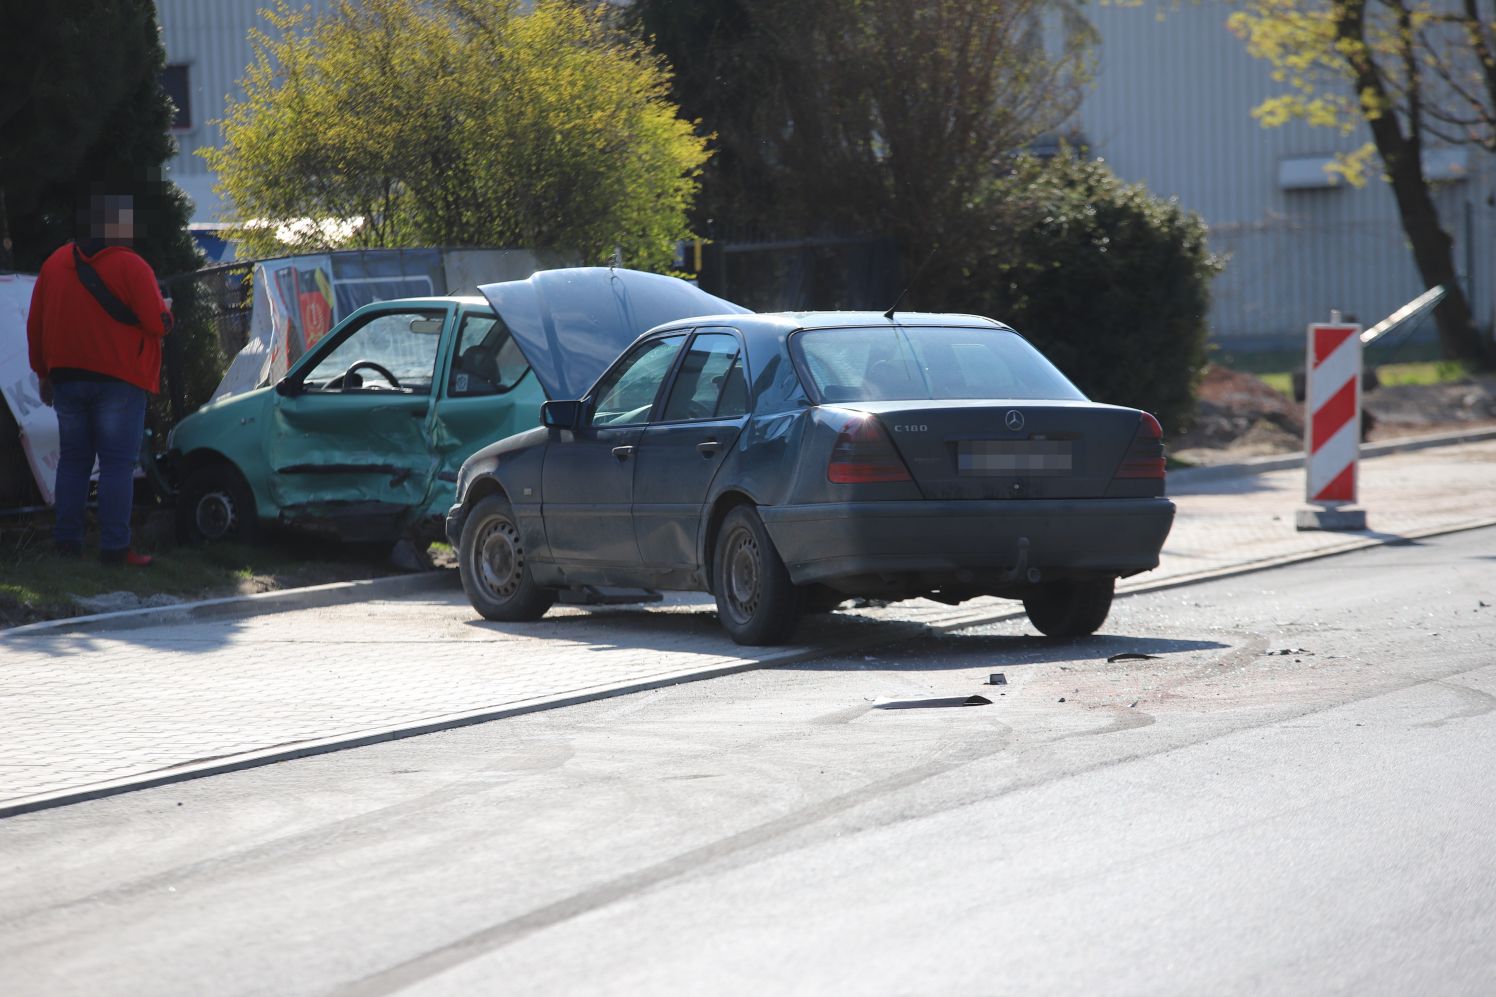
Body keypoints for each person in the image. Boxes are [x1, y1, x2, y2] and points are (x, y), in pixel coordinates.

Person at [26, 192, 173, 565]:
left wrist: (44, 374)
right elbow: (156, 322)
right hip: (119, 379)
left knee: (73, 461)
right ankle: (114, 548)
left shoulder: (55, 264)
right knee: (116, 465)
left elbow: (35, 326)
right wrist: (169, 314)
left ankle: (67, 543)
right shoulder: (132, 266)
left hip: (67, 379)